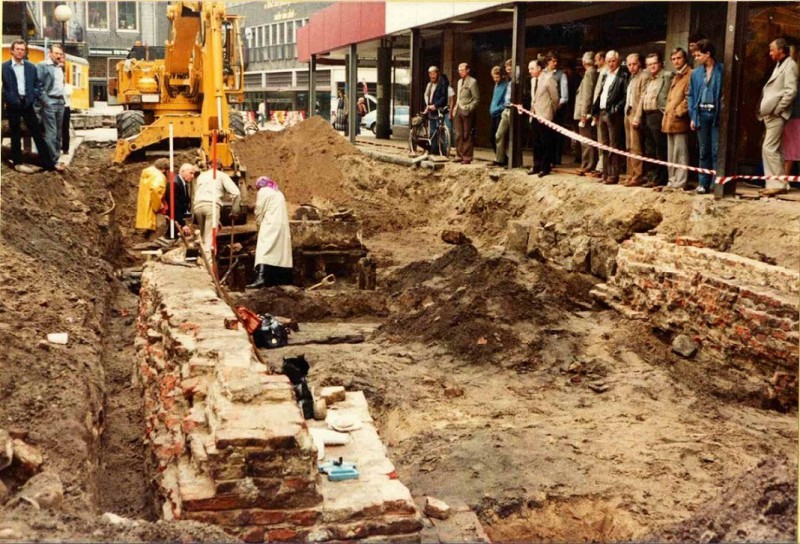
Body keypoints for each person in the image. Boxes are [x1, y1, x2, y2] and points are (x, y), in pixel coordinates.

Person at [1, 40, 61, 172]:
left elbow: (37, 85)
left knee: (37, 132)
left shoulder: (31, 67)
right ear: (12, 50)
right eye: (17, 49)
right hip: (13, 104)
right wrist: (9, 98)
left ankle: (49, 164)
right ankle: (18, 163)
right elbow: (4, 87)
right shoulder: (4, 67)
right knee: (14, 132)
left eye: (22, 49)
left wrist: (32, 97)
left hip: (27, 103)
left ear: (25, 51)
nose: (20, 51)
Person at [758, 38, 799, 196]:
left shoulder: (790, 65)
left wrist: (778, 110)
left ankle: (776, 184)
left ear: (781, 50)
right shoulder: (780, 65)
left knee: (768, 148)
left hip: (777, 115)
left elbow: (791, 91)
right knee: (776, 150)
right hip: (771, 115)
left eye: (772, 50)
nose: (770, 53)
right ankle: (780, 183)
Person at [688, 39, 724, 194]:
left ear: (708, 54)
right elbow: (691, 95)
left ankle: (716, 183)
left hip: (716, 114)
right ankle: (703, 182)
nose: (696, 58)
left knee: (716, 150)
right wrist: (693, 116)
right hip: (701, 113)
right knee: (704, 151)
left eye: (698, 55)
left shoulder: (722, 70)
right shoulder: (695, 74)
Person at [246, 177, 293, 289]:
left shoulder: (263, 192)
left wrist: (258, 226)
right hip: (282, 225)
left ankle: (261, 278)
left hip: (270, 224)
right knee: (280, 252)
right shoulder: (278, 192)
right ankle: (282, 279)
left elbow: (259, 210)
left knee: (263, 249)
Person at [635, 52, 672, 188]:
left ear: (660, 63)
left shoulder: (667, 76)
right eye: (649, 64)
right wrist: (638, 117)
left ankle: (660, 179)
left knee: (660, 148)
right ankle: (651, 177)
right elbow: (642, 99)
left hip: (659, 115)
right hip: (647, 116)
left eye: (654, 63)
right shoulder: (649, 79)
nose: (652, 66)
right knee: (649, 149)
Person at [592, 50, 628, 185]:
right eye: (609, 61)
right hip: (602, 112)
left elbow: (625, 96)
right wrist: (595, 111)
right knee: (604, 145)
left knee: (614, 145)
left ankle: (614, 174)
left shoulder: (622, 75)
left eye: (613, 61)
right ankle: (605, 173)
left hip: (613, 114)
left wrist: (616, 108)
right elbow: (601, 93)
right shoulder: (606, 75)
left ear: (617, 61)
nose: (611, 63)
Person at [192, 161, 241, 255]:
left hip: (198, 207)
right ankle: (209, 263)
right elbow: (236, 193)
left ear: (208, 166)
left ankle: (201, 260)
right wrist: (234, 211)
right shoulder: (222, 175)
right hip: (212, 206)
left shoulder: (201, 176)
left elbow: (195, 194)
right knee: (209, 238)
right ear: (221, 168)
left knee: (202, 237)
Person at [519, 59, 558, 177]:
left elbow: (555, 98)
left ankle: (545, 168)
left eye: (532, 68)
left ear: (539, 68)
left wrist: (550, 112)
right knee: (536, 142)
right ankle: (536, 165)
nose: (530, 71)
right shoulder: (532, 80)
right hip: (534, 114)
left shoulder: (548, 79)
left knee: (545, 141)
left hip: (545, 114)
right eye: (529, 69)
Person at [662, 48, 691, 190]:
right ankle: (672, 180)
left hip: (679, 121)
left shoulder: (689, 74)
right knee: (672, 153)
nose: (676, 61)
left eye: (678, 58)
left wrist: (678, 112)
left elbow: (689, 97)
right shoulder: (677, 75)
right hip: (670, 121)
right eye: (673, 59)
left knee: (680, 153)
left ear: (684, 58)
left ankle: (680, 182)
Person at [36, 44, 66, 167]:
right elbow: (38, 85)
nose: (59, 56)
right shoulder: (43, 66)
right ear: (50, 53)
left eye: (60, 54)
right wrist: (46, 101)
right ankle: (51, 161)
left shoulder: (60, 67)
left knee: (59, 133)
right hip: (50, 102)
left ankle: (56, 158)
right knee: (51, 132)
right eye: (56, 53)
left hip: (60, 102)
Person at [623, 53, 648, 186]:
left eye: (634, 64)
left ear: (639, 64)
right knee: (628, 146)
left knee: (636, 146)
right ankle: (630, 173)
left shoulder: (643, 76)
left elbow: (642, 99)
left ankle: (637, 175)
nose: (631, 67)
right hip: (627, 112)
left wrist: (637, 117)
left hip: (635, 113)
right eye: (629, 65)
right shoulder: (631, 78)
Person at [573, 52, 598, 175]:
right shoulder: (592, 73)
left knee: (586, 140)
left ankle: (587, 164)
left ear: (584, 62)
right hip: (587, 111)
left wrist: (584, 113)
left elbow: (587, 95)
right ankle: (588, 163)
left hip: (585, 112)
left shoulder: (589, 73)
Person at [543, 51, 569, 166]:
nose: (555, 63)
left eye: (556, 61)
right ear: (548, 61)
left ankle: (554, 159)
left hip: (556, 109)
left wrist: (556, 105)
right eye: (553, 61)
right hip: (543, 108)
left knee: (554, 135)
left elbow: (564, 96)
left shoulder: (561, 75)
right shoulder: (542, 73)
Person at [135, 158, 171, 239]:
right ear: (164, 169)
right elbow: (156, 191)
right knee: (159, 228)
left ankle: (147, 238)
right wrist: (158, 206)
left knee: (149, 228)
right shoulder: (159, 177)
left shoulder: (148, 174)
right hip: (153, 208)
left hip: (146, 206)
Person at [452, 62, 480, 164]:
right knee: (458, 134)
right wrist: (455, 108)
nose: (460, 72)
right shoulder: (459, 82)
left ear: (467, 70)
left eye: (462, 70)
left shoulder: (473, 82)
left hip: (466, 109)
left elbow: (476, 99)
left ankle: (467, 157)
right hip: (458, 109)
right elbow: (458, 96)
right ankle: (459, 155)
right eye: (459, 70)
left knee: (467, 134)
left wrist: (469, 108)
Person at [164, 163, 197, 239]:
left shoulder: (182, 183)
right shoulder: (174, 184)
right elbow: (174, 205)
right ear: (182, 171)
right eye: (191, 173)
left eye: (193, 174)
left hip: (177, 218)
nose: (192, 176)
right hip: (174, 218)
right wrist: (182, 223)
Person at [590, 50, 608, 179]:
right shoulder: (601, 72)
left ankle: (602, 167)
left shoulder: (606, 73)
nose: (595, 63)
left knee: (603, 140)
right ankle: (601, 166)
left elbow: (599, 93)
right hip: (598, 110)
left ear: (602, 59)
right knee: (600, 140)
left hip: (603, 111)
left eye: (597, 60)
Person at [423, 65, 450, 154]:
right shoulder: (429, 84)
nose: (432, 76)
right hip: (431, 110)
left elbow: (444, 98)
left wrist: (435, 105)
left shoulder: (442, 84)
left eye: (433, 74)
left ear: (437, 73)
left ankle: (443, 151)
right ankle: (433, 151)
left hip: (439, 109)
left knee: (441, 131)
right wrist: (428, 104)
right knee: (432, 132)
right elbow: (426, 94)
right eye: (430, 74)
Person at [494, 59, 514, 166]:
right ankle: (500, 159)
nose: (508, 71)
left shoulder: (517, 79)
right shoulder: (508, 80)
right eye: (507, 69)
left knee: (513, 137)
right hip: (506, 109)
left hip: (513, 109)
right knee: (499, 134)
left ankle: (512, 161)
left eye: (510, 69)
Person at [489, 66, 508, 155]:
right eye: (494, 77)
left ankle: (501, 157)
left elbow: (505, 101)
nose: (496, 79)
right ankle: (498, 155)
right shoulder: (496, 85)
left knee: (498, 136)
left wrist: (499, 108)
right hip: (494, 112)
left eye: (497, 77)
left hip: (500, 112)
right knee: (492, 136)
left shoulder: (505, 85)